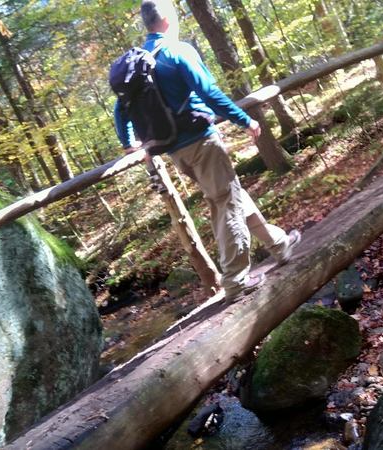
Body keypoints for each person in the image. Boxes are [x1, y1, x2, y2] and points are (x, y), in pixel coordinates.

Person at [113, 0, 301, 301]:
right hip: (201, 141)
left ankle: (279, 244)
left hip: (175, 152)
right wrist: (245, 120)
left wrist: (129, 143)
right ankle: (236, 280)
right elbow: (209, 92)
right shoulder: (177, 51)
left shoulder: (138, 63)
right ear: (167, 19)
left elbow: (120, 110)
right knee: (224, 203)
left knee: (229, 194)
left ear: (147, 25)